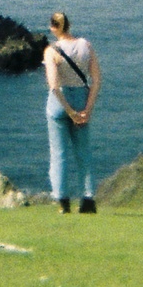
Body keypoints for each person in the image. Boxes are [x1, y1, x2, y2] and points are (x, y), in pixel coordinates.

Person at [43, 11, 100, 213]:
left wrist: (68, 111)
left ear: (54, 27)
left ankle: (62, 201)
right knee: (83, 153)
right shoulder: (86, 45)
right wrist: (87, 109)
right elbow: (96, 80)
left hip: (60, 104)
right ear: (69, 25)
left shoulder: (51, 51)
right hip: (82, 100)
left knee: (59, 154)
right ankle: (88, 199)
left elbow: (53, 86)